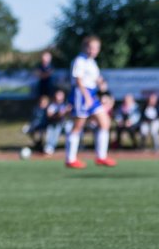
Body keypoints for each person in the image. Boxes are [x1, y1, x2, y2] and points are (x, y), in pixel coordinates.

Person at [65, 36, 116, 169]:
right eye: (92, 47)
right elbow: (78, 81)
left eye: (97, 48)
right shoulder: (79, 60)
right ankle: (70, 159)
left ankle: (101, 156)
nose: (94, 50)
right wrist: (86, 97)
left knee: (105, 122)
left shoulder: (92, 62)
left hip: (92, 95)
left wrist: (102, 86)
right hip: (81, 95)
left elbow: (97, 78)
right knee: (78, 126)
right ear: (85, 47)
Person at [43, 88, 72, 155]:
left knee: (70, 126)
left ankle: (71, 147)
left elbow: (70, 114)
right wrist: (59, 114)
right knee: (54, 128)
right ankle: (49, 147)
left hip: (64, 124)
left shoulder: (66, 104)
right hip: (55, 124)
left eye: (61, 95)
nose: (59, 97)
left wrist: (67, 111)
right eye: (58, 95)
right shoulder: (53, 105)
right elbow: (49, 115)